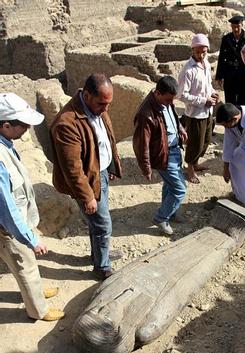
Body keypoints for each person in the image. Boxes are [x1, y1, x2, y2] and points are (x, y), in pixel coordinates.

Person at [50, 73, 122, 280]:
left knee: (97, 223)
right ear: (87, 95)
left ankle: (99, 255)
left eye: (108, 103)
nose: (106, 109)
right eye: (102, 103)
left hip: (100, 174)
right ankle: (102, 268)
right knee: (102, 224)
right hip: (87, 182)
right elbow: (73, 168)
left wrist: (110, 167)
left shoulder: (98, 108)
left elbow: (105, 139)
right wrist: (87, 196)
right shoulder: (67, 123)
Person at [0, 93, 64, 321]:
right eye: (23, 125)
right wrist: (31, 238)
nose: (27, 128)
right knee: (24, 264)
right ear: (6, 125)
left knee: (24, 263)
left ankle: (34, 291)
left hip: (14, 226)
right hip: (8, 230)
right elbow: (6, 208)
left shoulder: (5, 143)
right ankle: (38, 310)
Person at [133, 76, 187, 236]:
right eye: (168, 99)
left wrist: (180, 129)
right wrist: (146, 168)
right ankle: (161, 218)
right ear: (157, 93)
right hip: (163, 154)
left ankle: (171, 210)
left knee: (170, 185)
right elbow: (141, 144)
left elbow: (172, 116)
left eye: (172, 99)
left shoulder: (166, 102)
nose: (171, 103)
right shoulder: (146, 113)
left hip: (174, 149)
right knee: (179, 189)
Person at [178, 33, 219, 184]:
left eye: (204, 52)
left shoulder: (206, 64)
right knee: (195, 143)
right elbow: (182, 95)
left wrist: (213, 94)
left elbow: (208, 85)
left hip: (207, 111)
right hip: (195, 114)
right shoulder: (188, 70)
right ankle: (190, 169)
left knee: (206, 140)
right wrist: (203, 101)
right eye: (198, 52)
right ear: (192, 51)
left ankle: (195, 163)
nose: (201, 55)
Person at [216, 15, 245, 106]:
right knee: (229, 100)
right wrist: (219, 76)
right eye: (233, 27)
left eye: (237, 27)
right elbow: (221, 57)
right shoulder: (226, 39)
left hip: (243, 74)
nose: (235, 29)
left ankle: (241, 119)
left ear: (242, 25)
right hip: (229, 74)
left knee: (243, 101)